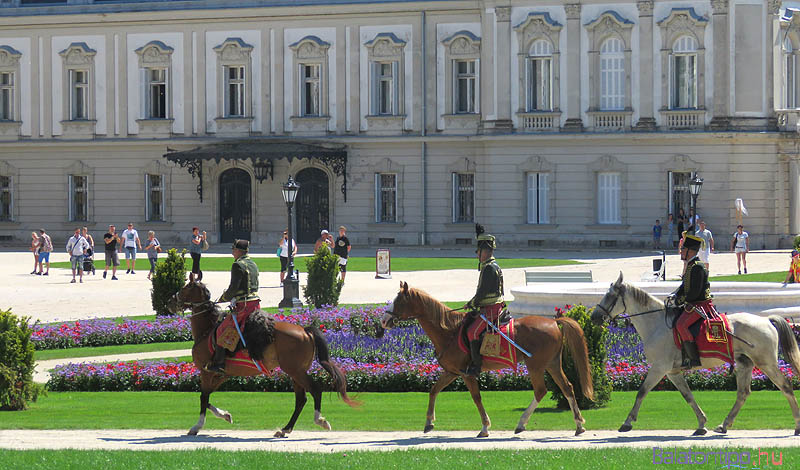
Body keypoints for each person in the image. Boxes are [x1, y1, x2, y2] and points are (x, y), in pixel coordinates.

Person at [205, 239, 261, 375]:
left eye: (233, 250)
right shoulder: (252, 264)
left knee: (222, 330)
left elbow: (233, 288)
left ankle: (219, 363)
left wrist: (223, 298)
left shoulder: (238, 265)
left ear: (238, 251)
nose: (232, 253)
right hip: (255, 303)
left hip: (244, 306)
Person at [667, 227, 715, 369]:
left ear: (691, 251)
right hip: (693, 303)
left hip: (700, 305)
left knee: (681, 324)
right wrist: (674, 295)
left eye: (683, 249)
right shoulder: (691, 265)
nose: (681, 252)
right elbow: (684, 286)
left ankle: (693, 359)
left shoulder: (698, 267)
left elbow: (694, 292)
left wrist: (680, 301)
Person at [461, 224, 505, 377]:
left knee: (472, 332)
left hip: (491, 308)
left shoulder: (489, 268)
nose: (476, 255)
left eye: (478, 252)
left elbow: (482, 292)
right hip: (492, 306)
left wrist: (471, 303)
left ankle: (477, 367)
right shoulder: (490, 266)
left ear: (484, 252)